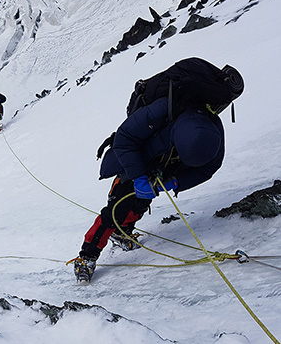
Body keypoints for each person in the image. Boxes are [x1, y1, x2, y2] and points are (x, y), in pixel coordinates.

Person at [72, 59, 243, 282]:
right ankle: (86, 256)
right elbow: (125, 140)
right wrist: (138, 176)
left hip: (165, 165)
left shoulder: (211, 130)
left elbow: (208, 168)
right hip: (136, 155)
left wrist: (175, 182)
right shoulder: (163, 109)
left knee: (142, 202)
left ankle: (121, 233)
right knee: (116, 208)